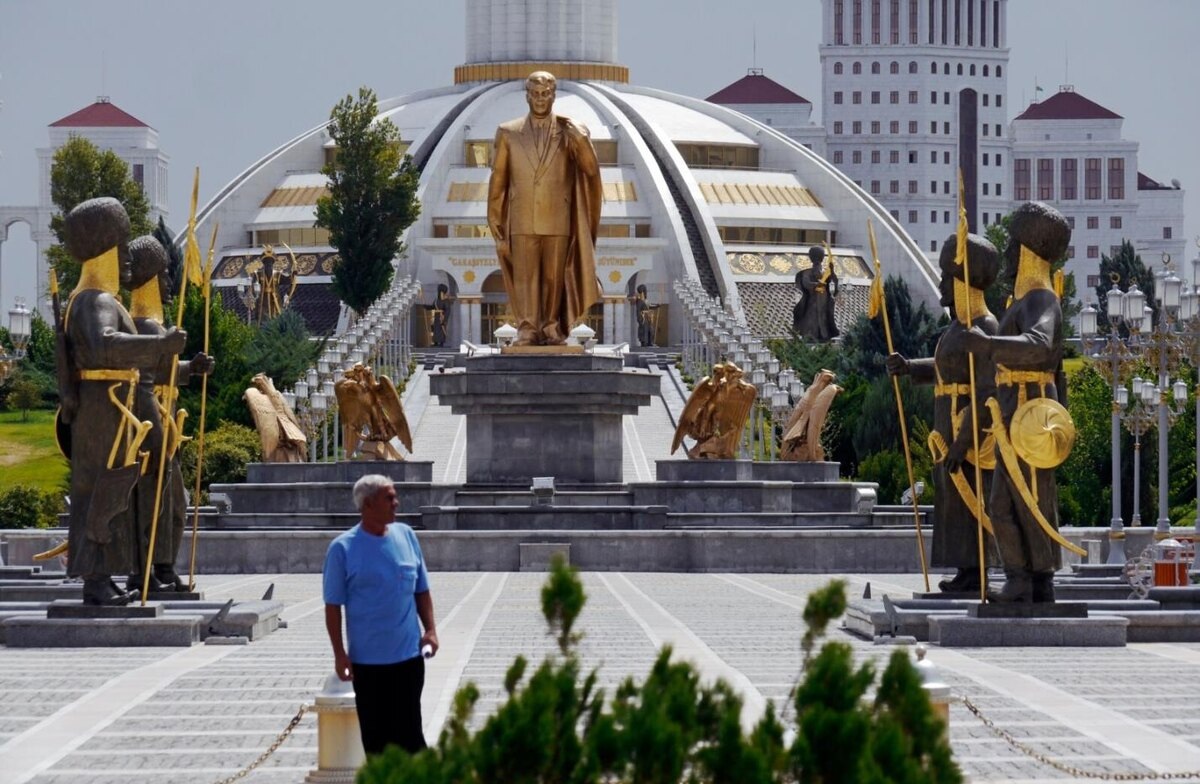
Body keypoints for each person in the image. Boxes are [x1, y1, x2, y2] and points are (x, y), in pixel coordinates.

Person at [58, 198, 187, 605]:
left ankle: (102, 578)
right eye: (121, 243)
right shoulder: (94, 300)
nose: (126, 254)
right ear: (105, 246)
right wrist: (159, 343)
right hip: (103, 406)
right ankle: (95, 579)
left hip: (111, 406)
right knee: (102, 490)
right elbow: (103, 346)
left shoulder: (100, 299)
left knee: (110, 491)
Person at [963, 202, 1072, 603]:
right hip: (1016, 408)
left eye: (1012, 246)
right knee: (1015, 499)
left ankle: (1027, 577)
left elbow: (1042, 346)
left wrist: (991, 343)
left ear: (1026, 251)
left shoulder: (1041, 299)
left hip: (1030, 411)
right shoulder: (1021, 302)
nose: (1006, 253)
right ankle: (1031, 578)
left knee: (1021, 500)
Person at [887, 234, 999, 594]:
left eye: (946, 278)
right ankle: (967, 569)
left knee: (970, 500)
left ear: (964, 282)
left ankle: (978, 570)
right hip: (945, 426)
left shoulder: (985, 329)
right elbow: (944, 367)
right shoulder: (957, 327)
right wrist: (909, 368)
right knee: (951, 502)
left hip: (968, 434)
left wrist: (963, 440)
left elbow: (986, 390)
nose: (940, 285)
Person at [323, 474, 439, 755]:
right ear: (367, 504)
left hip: (408, 660)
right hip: (368, 664)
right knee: (377, 742)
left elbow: (421, 590)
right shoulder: (343, 548)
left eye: (394, 496)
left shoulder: (407, 536)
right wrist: (340, 653)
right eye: (389, 498)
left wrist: (431, 630)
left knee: (412, 736)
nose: (396, 503)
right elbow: (332, 606)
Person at [487, 70, 603, 346]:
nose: (540, 99)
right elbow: (498, 181)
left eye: (545, 94)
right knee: (526, 278)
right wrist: (495, 225)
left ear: (554, 95)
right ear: (527, 96)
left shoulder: (569, 131)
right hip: (522, 219)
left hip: (558, 219)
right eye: (535, 94)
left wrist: (582, 142)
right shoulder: (508, 132)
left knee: (554, 279)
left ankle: (552, 327)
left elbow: (590, 171)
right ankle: (527, 328)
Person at [126, 235, 214, 593]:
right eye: (163, 277)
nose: (169, 285)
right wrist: (157, 439)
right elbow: (142, 382)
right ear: (148, 280)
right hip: (153, 429)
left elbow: (163, 372)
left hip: (166, 425)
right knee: (153, 503)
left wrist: (190, 368)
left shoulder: (154, 328)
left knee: (174, 503)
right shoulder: (145, 326)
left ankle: (163, 567)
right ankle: (145, 570)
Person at [792, 246, 839, 341]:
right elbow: (806, 284)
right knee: (811, 317)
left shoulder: (826, 272)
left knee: (824, 317)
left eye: (819, 257)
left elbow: (835, 283)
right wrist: (818, 284)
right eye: (816, 257)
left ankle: (824, 335)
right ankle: (811, 335)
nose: (817, 260)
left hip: (824, 299)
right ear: (811, 258)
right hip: (812, 299)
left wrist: (832, 272)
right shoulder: (806, 272)